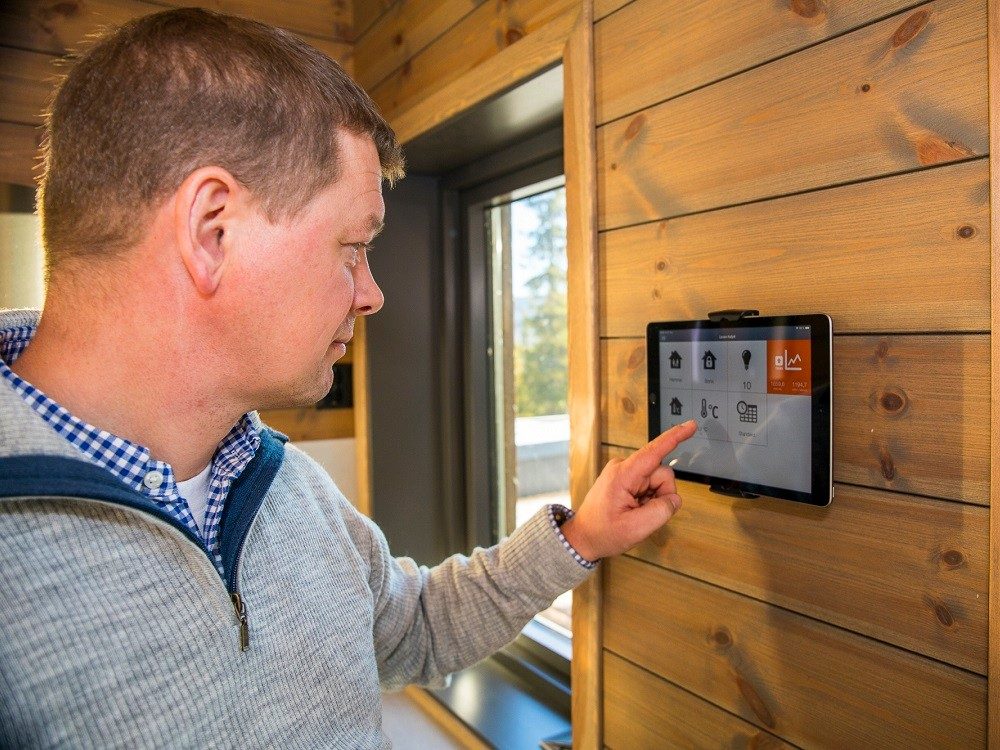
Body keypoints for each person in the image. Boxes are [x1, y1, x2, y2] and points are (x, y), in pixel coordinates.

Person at [0, 8, 697, 748]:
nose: (371, 294)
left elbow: (413, 626)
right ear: (213, 231)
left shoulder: (286, 487)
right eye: (352, 248)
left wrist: (582, 534)